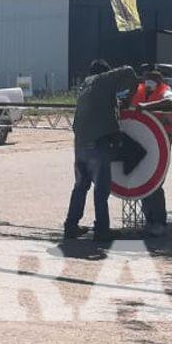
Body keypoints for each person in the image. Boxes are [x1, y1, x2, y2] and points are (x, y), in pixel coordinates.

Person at [64, 59, 139, 242]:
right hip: (98, 144)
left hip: (80, 145)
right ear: (105, 72)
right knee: (101, 189)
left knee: (80, 186)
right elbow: (128, 70)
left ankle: (71, 226)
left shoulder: (84, 87)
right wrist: (130, 95)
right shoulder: (103, 80)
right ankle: (102, 230)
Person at [128, 65, 172, 236]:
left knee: (155, 183)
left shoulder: (165, 91)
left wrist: (147, 106)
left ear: (160, 79)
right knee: (144, 183)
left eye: (153, 77)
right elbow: (125, 103)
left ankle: (159, 222)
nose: (149, 80)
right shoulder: (138, 90)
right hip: (140, 144)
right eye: (146, 76)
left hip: (160, 144)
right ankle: (149, 221)